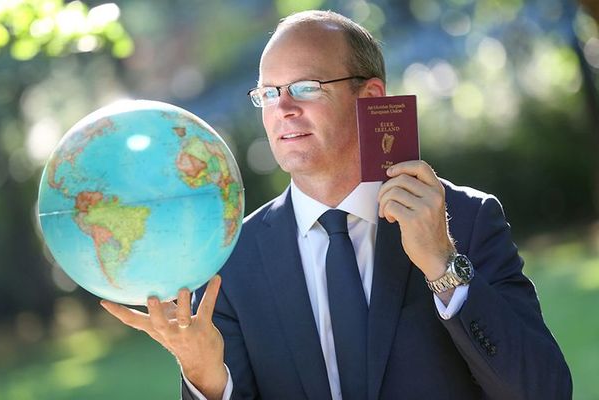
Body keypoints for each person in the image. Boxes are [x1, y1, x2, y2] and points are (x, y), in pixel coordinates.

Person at [101, 9, 572, 400]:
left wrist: (444, 268)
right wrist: (205, 376)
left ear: (369, 97)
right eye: (268, 94)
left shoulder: (466, 219)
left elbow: (544, 391)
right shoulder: (232, 258)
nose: (283, 108)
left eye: (305, 87)